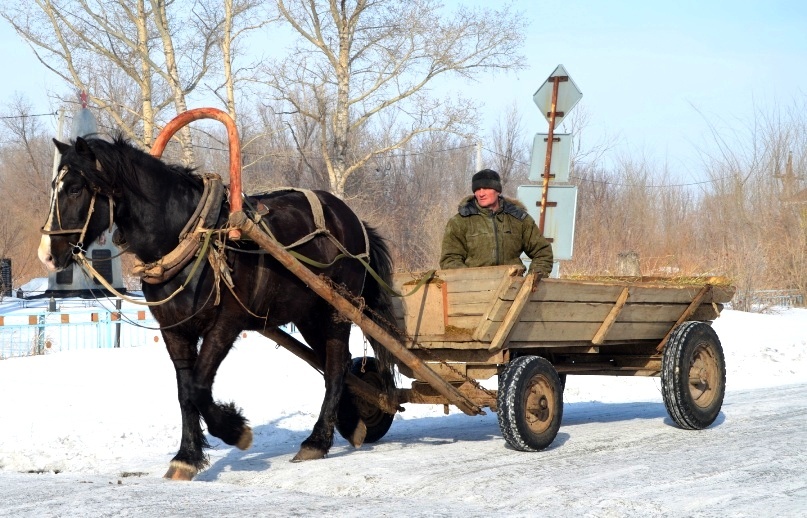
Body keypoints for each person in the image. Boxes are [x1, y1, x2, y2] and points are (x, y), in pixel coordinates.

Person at [439, 169, 553, 277]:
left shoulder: (519, 219)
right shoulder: (460, 221)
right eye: (477, 189)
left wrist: (531, 281)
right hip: (475, 287)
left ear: (497, 190)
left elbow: (542, 252)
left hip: (513, 286)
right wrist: (469, 280)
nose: (481, 193)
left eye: (486, 188)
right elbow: (450, 259)